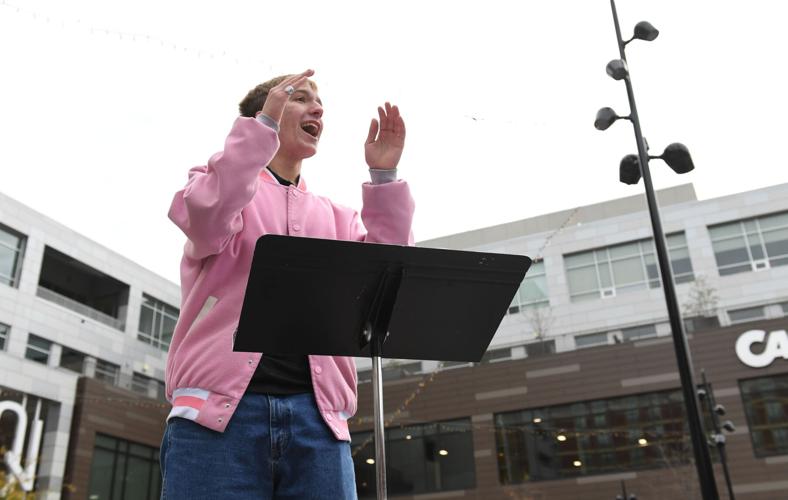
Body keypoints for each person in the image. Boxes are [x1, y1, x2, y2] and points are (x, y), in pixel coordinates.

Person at [160, 69, 415, 499]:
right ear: (265, 114)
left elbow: (387, 275)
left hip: (319, 424)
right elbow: (207, 217)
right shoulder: (211, 184)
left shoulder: (336, 216)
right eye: (300, 98)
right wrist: (259, 131)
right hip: (214, 421)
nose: (317, 108)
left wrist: (384, 175)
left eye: (319, 104)